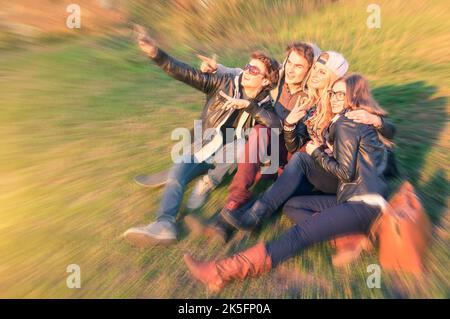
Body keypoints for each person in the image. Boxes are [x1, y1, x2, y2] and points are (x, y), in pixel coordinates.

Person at [183, 73, 390, 292]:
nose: (335, 98)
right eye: (333, 93)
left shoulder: (349, 124)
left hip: (364, 204)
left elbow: (345, 173)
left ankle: (222, 272)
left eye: (342, 94)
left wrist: (317, 152)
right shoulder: (355, 121)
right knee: (293, 205)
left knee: (298, 236)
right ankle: (350, 239)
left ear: (354, 96)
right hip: (352, 199)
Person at [122, 25, 281, 247]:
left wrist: (249, 107)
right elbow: (186, 73)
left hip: (226, 160)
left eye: (254, 71)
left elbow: (276, 126)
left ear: (266, 81)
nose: (247, 71)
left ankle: (208, 181)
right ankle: (164, 224)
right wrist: (155, 54)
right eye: (247, 67)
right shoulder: (223, 83)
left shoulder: (266, 106)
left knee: (244, 143)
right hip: (204, 147)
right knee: (179, 172)